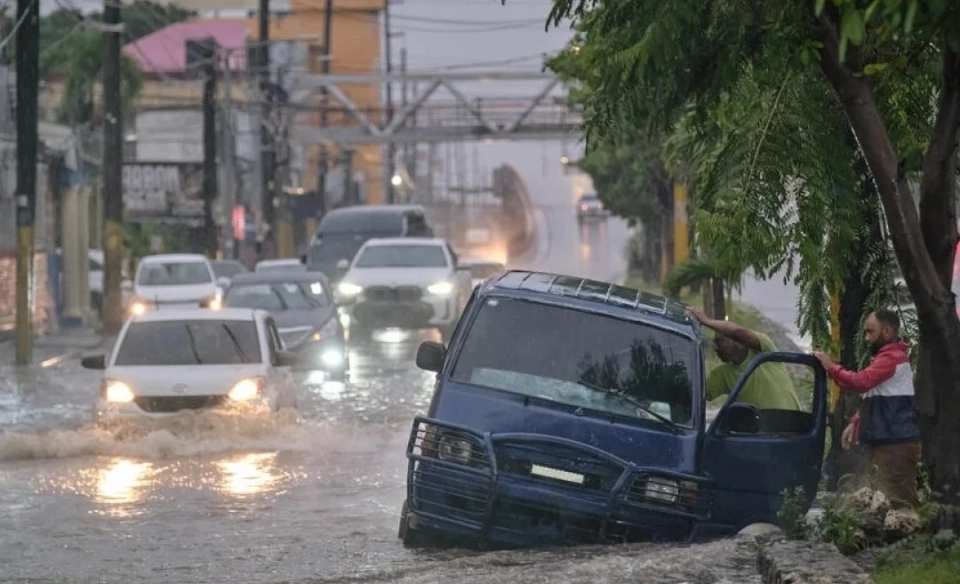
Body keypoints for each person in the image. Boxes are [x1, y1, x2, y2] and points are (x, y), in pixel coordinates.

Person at [813, 309, 921, 508]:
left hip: (895, 444)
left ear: (887, 331)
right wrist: (855, 423)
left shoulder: (891, 359)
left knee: (901, 503)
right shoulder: (887, 358)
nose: (866, 338)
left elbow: (860, 382)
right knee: (888, 501)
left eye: (871, 332)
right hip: (888, 443)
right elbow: (876, 397)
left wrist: (830, 366)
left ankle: (923, 538)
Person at [687, 307, 802, 411]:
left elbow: (737, 332)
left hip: (794, 427)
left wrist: (707, 322)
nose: (715, 348)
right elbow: (695, 395)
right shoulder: (723, 374)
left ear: (734, 340)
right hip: (762, 432)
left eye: (719, 341)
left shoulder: (765, 350)